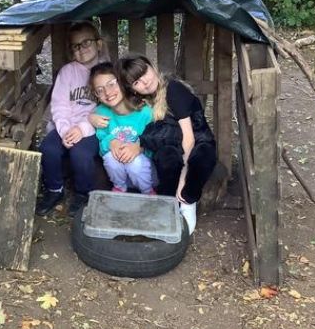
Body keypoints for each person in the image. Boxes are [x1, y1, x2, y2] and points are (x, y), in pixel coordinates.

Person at [116, 54, 217, 234]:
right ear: (132, 89)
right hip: (172, 143)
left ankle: (187, 200)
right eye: (137, 82)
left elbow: (189, 138)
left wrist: (184, 180)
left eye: (145, 72)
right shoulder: (144, 102)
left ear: (152, 67)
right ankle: (169, 203)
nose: (145, 81)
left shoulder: (173, 89)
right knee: (166, 156)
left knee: (203, 156)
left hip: (196, 140)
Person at [36, 21, 108, 217]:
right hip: (66, 126)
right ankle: (54, 190)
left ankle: (83, 193)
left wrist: (82, 129)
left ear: (98, 44)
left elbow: (108, 107)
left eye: (86, 43)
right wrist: (65, 129)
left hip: (93, 127)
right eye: (76, 46)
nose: (81, 49)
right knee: (48, 148)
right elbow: (59, 105)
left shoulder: (106, 72)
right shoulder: (68, 72)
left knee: (81, 154)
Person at [89, 62, 155, 194]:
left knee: (135, 164)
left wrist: (139, 148)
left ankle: (148, 192)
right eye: (100, 90)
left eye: (111, 84)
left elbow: (154, 143)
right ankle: (119, 188)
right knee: (110, 158)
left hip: (146, 172)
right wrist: (111, 142)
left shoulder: (145, 112)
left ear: (123, 82)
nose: (107, 92)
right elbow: (102, 139)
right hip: (119, 173)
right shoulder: (101, 113)